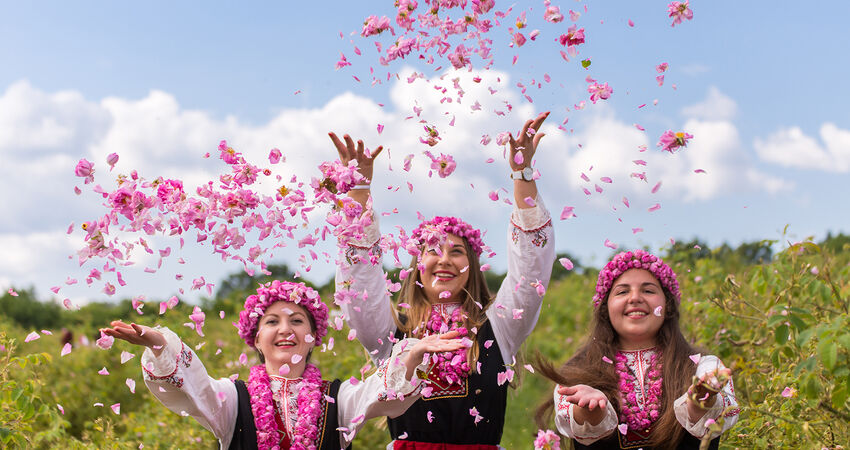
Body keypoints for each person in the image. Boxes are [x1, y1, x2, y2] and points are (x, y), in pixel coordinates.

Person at [329, 112, 556, 449]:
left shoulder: (499, 327)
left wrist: (522, 173)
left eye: (457, 251)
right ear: (417, 264)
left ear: (473, 266)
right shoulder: (390, 333)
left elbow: (531, 271)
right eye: (433, 249)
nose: (445, 259)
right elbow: (359, 289)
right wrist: (359, 192)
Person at [102, 280, 466, 450]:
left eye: (297, 320)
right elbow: (196, 386)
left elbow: (378, 392)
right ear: (255, 338)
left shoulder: (338, 399)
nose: (285, 330)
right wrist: (160, 342)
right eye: (272, 321)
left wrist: (412, 354)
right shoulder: (231, 400)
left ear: (313, 335)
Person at [534, 250, 739, 450]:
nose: (635, 298)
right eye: (622, 291)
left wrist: (701, 401)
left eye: (648, 290)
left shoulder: (702, 367)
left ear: (667, 305)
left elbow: (714, 415)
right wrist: (589, 412)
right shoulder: (577, 373)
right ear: (605, 308)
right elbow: (578, 421)